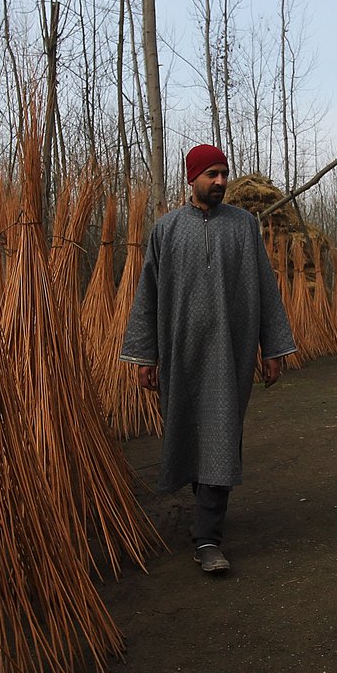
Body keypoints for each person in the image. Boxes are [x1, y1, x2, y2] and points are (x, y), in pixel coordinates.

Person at [120, 144, 298, 575]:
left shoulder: (243, 227)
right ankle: (206, 515)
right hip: (181, 353)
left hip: (227, 351)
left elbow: (264, 288)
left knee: (220, 432)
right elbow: (149, 294)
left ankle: (207, 538)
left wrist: (272, 346)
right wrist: (146, 354)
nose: (220, 181)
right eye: (211, 174)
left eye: (224, 173)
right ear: (192, 178)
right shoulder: (166, 230)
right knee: (189, 430)